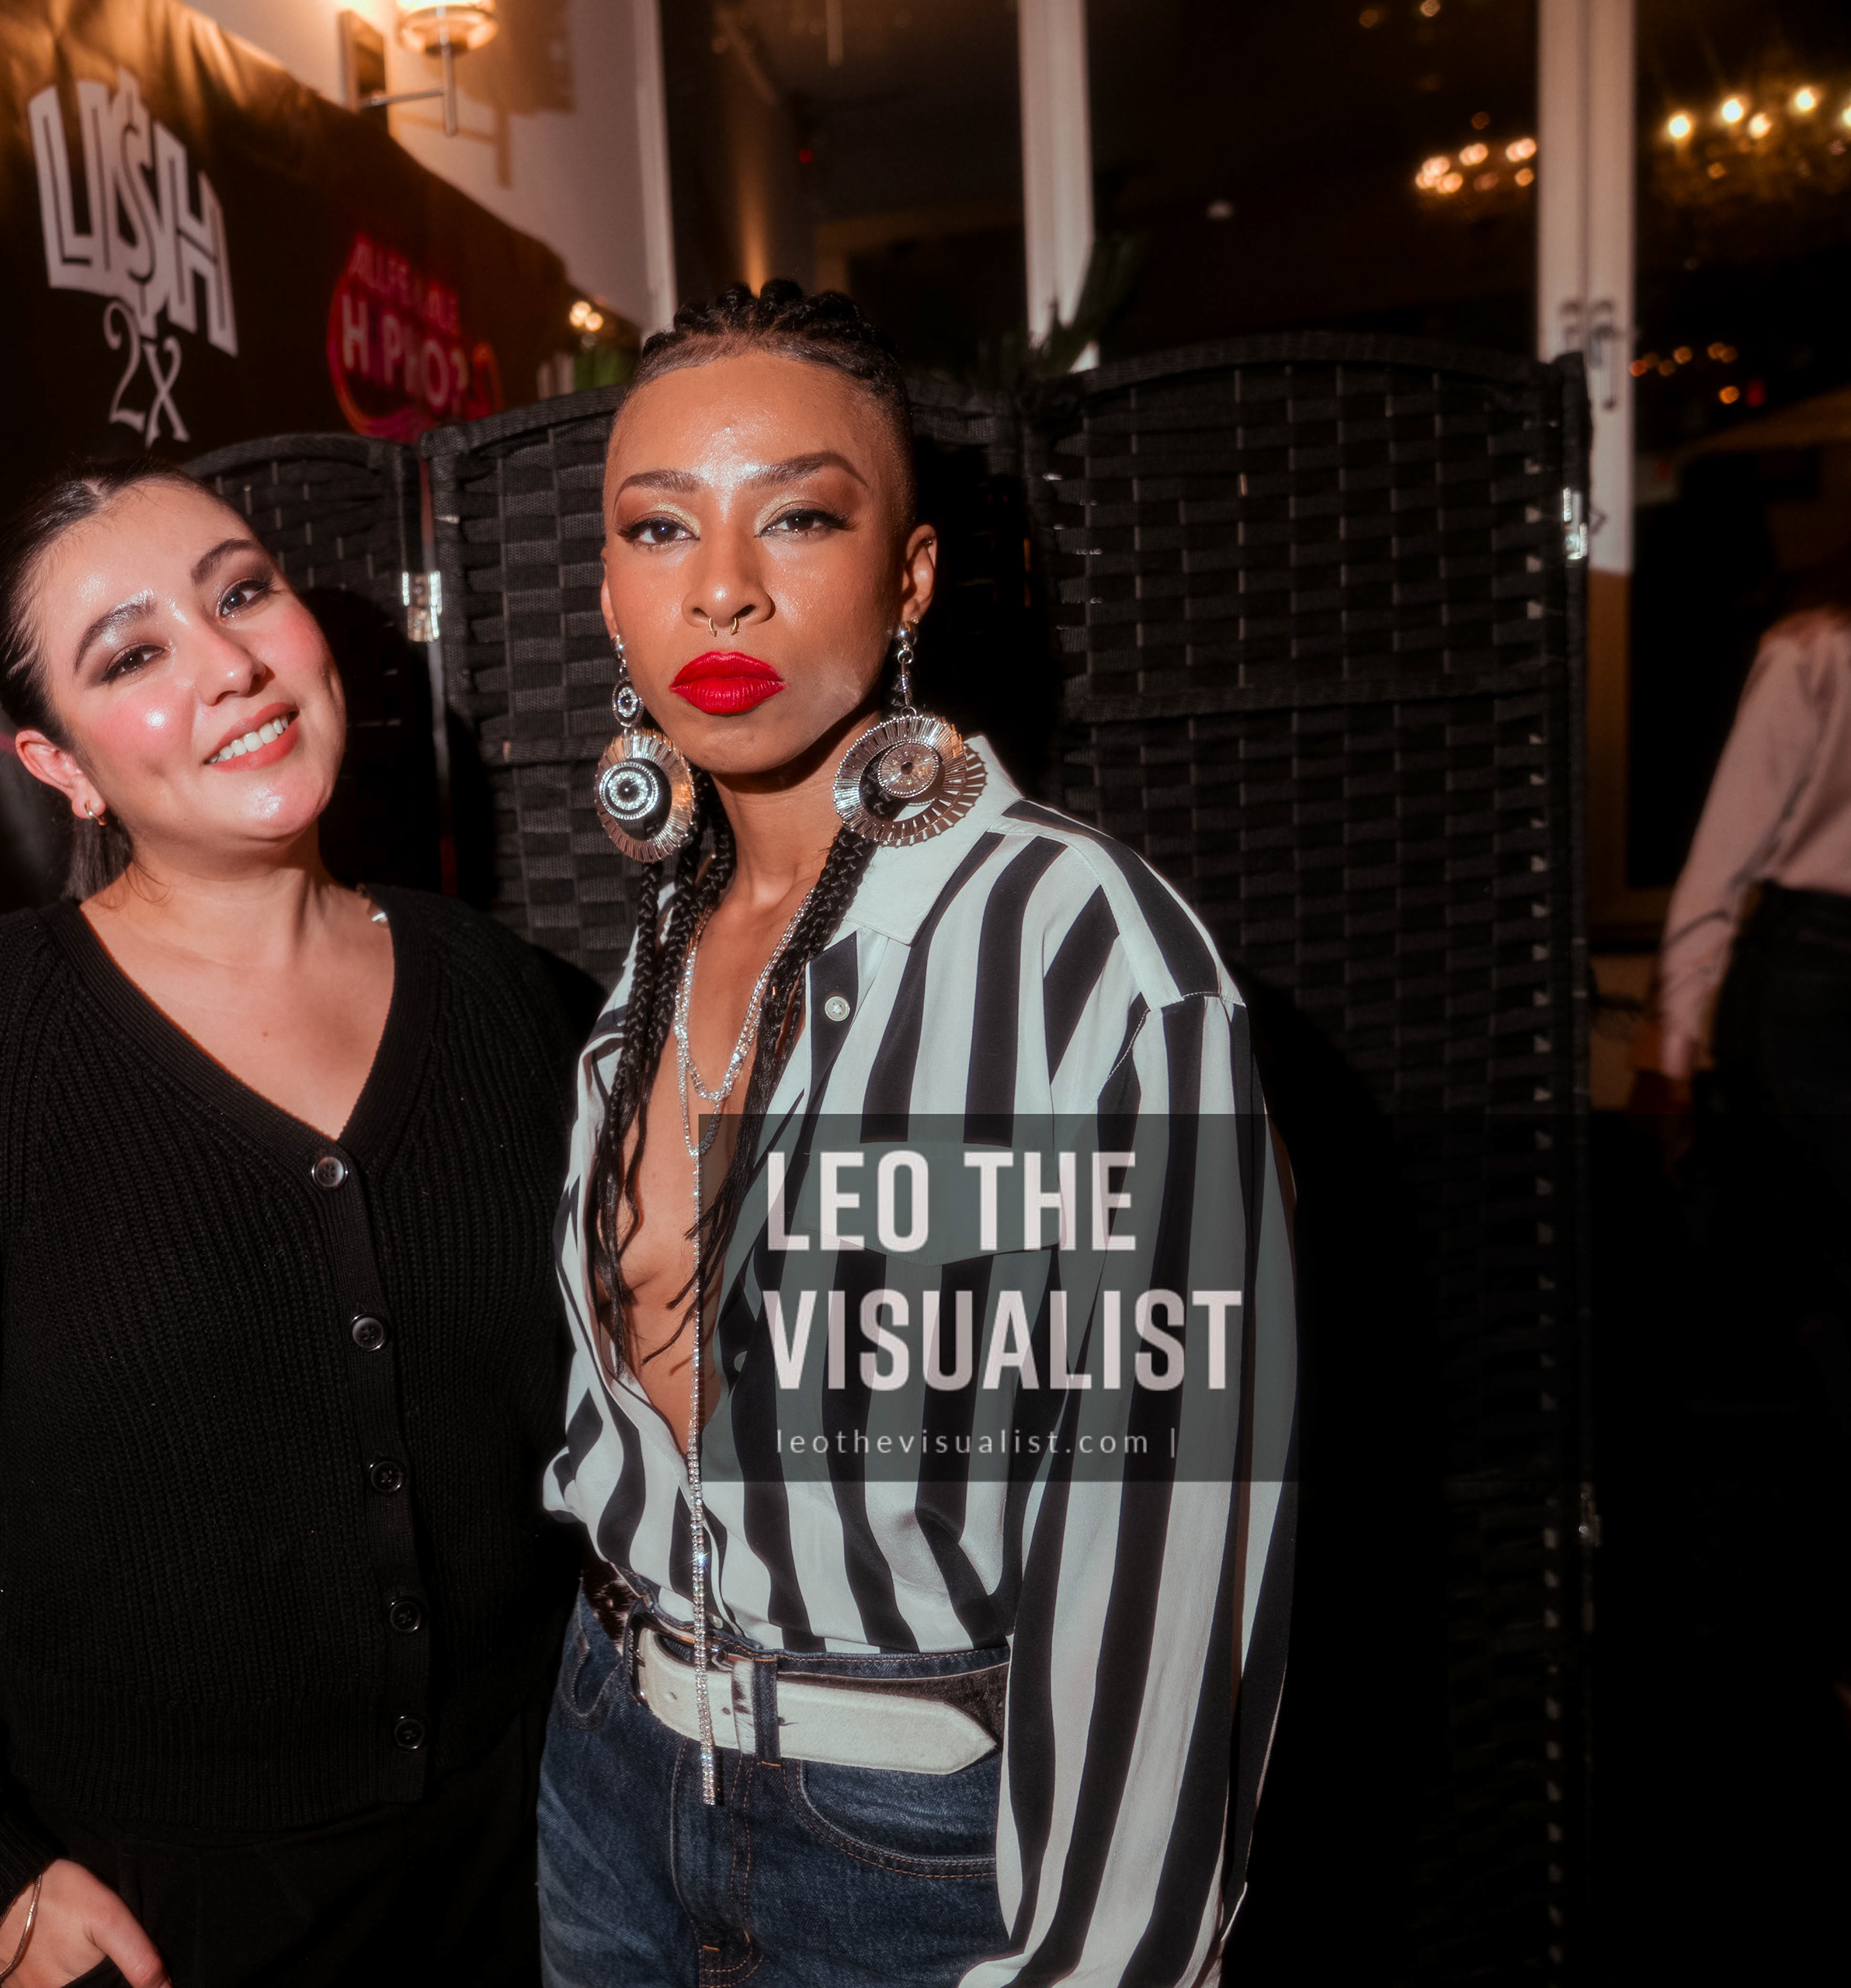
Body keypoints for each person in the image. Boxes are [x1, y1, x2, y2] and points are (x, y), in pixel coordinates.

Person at [535, 283, 1295, 1986]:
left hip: (911, 1844)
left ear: (913, 577)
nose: (721, 584)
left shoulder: (1079, 949)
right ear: (607, 589)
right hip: (608, 1774)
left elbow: (1170, 1540)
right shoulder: (660, 946)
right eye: (660, 526)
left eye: (800, 516)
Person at [0, 459, 582, 1988]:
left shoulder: (502, 996)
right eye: (133, 654)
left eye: (242, 592)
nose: (230, 666)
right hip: (171, 1923)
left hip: (546, 1864)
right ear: (59, 765)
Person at [1633, 596, 1851, 1752]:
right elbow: (1723, 865)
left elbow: (1719, 867)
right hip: (1824, 995)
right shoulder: (1822, 653)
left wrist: (1672, 1061)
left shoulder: (1818, 652)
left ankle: (1849, 1646)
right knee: (1847, 1315)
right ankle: (1845, 1649)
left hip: (1822, 983)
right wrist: (1672, 1058)